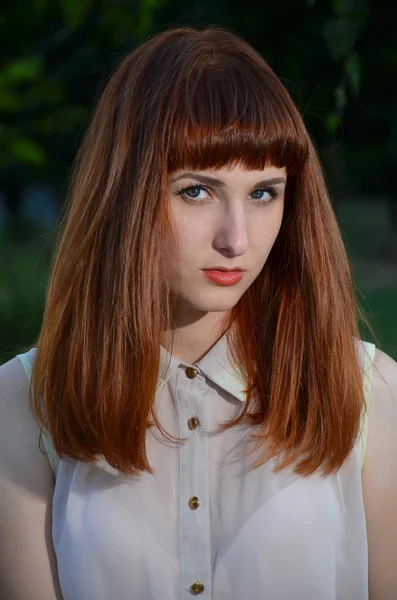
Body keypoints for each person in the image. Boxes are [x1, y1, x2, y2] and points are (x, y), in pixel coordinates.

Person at [1, 25, 397, 600]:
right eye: (196, 191)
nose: (237, 239)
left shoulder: (369, 391)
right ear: (125, 194)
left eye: (264, 193)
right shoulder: (23, 403)